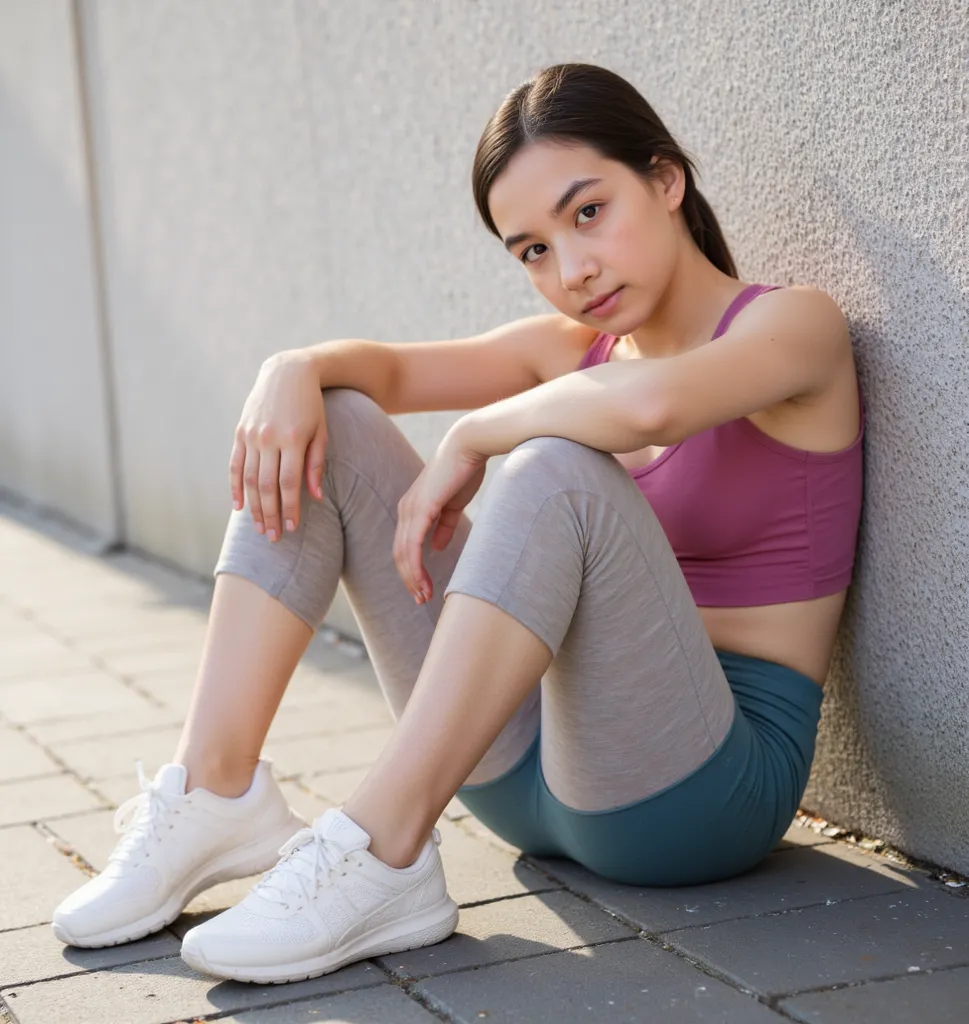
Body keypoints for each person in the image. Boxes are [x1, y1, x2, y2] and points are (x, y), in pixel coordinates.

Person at [51, 62, 864, 985]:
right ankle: (213, 790)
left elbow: (649, 410)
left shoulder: (794, 328)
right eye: (532, 250)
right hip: (521, 778)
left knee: (554, 463)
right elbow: (383, 377)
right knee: (343, 422)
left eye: (588, 212)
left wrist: (477, 435)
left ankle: (381, 845)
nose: (572, 269)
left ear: (665, 180)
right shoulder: (572, 351)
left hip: (697, 794)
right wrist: (290, 366)